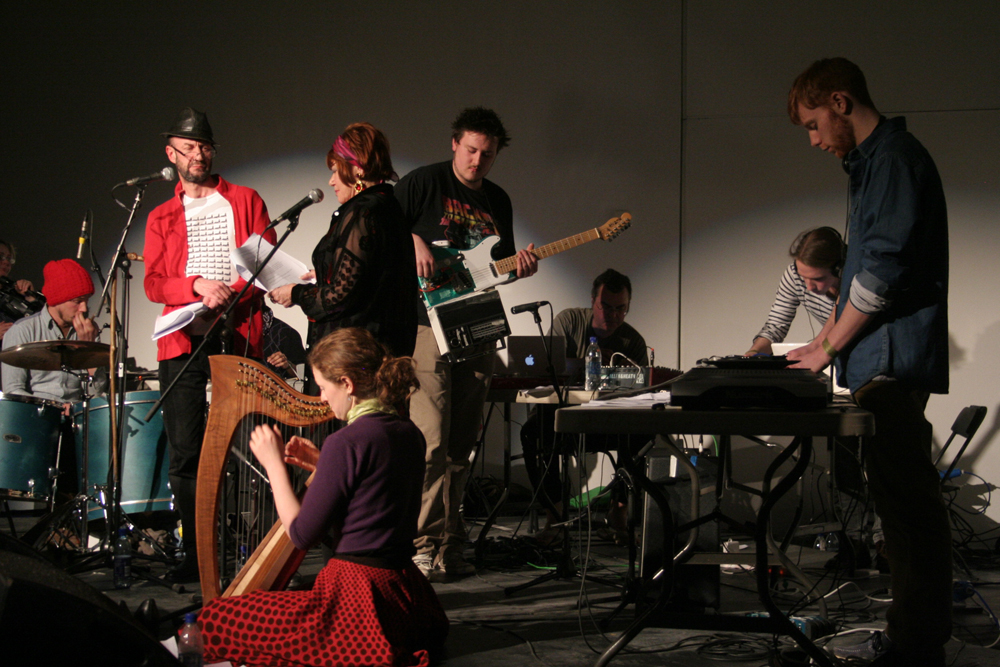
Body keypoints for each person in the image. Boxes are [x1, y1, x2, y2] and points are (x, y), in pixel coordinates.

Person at [785, 58, 950, 667]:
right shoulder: (874, 165)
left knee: (909, 512)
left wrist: (827, 347)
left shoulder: (894, 160)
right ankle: (913, 641)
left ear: (839, 100)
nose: (814, 140)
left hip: (892, 366)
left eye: (813, 124)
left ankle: (917, 648)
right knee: (901, 510)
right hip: (878, 364)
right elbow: (860, 279)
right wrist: (818, 344)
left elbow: (879, 276)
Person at [197, 328, 448, 667]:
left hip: (355, 601)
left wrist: (273, 466)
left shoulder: (346, 443)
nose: (322, 397)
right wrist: (322, 464)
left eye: (324, 386)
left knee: (217, 619)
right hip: (405, 596)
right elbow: (374, 490)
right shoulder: (409, 432)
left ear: (347, 384)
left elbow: (302, 534)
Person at [395, 107, 538, 577]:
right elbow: (379, 233)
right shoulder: (422, 183)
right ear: (454, 143)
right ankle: (422, 541)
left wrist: (520, 268)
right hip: (427, 323)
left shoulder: (498, 199)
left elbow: (496, 268)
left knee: (461, 445)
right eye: (471, 150)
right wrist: (412, 239)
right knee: (430, 440)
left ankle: (449, 543)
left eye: (488, 154)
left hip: (478, 324)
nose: (477, 161)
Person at [143, 107, 275, 583]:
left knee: (245, 444)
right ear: (171, 153)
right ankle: (197, 547)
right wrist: (196, 284)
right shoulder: (161, 215)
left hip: (236, 335)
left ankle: (251, 543)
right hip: (181, 342)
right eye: (189, 146)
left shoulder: (244, 199)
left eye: (204, 146)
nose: (198, 154)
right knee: (185, 451)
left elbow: (268, 264)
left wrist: (235, 294)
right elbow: (154, 283)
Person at [267, 122, 417, 386]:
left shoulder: (363, 211)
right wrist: (327, 273)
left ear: (357, 168)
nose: (331, 181)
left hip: (354, 361)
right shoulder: (387, 206)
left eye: (336, 171)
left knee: (350, 425)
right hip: (375, 355)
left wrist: (296, 293)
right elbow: (370, 276)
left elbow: (339, 296)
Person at [520, 269, 649, 545]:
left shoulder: (633, 342)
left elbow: (641, 393)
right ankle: (555, 517)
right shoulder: (568, 321)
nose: (612, 315)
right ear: (593, 301)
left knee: (644, 434)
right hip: (566, 420)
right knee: (532, 432)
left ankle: (619, 514)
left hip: (609, 424)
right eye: (605, 307)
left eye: (620, 309)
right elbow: (548, 368)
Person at [2, 258, 102, 406]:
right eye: (77, 301)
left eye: (86, 300)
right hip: (36, 417)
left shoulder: (88, 331)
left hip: (79, 417)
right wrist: (55, 408)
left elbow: (97, 393)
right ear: (58, 299)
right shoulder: (23, 330)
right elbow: (13, 390)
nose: (84, 308)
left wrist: (89, 347)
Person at [744, 227, 844, 356]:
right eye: (803, 277)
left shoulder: (856, 280)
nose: (809, 287)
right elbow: (775, 327)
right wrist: (753, 353)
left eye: (818, 279)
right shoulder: (794, 275)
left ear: (838, 269)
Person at [0, 240, 40, 344]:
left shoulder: (14, 292)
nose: (6, 262)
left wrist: (30, 298)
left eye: (9, 258)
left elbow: (40, 327)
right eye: (0, 256)